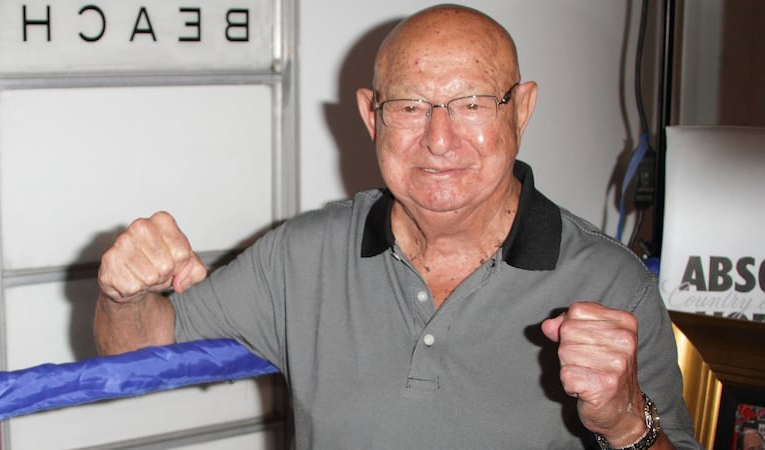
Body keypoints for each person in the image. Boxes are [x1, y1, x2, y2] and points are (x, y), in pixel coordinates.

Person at [94, 4, 702, 449]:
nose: (438, 140)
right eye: (410, 106)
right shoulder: (303, 256)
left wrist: (627, 425)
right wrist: (126, 295)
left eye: (471, 104)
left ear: (521, 110)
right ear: (370, 116)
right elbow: (140, 354)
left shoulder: (612, 282)